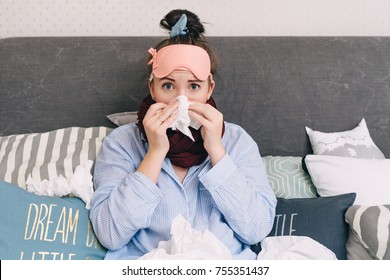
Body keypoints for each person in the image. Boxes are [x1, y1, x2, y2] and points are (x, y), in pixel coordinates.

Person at [90, 9, 276, 260]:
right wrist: (155, 152)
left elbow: (256, 230)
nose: (181, 99)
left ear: (209, 89)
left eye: (194, 86)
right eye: (168, 85)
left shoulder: (237, 141)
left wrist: (217, 152)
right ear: (152, 89)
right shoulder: (122, 143)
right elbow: (110, 233)